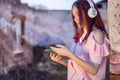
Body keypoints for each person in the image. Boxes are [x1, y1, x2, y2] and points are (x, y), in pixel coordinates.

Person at [50, 0, 110, 80]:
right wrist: (61, 61)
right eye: (73, 16)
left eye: (78, 14)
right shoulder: (80, 36)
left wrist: (69, 54)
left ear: (91, 13)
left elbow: (93, 69)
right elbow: (79, 67)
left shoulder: (97, 34)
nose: (75, 19)